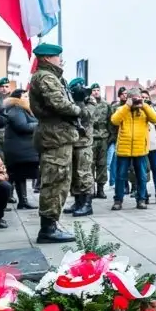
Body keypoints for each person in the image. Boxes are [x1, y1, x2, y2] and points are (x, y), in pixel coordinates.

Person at [23, 42, 81, 243]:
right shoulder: (46, 77)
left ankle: (52, 224)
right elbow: (59, 104)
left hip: (59, 135)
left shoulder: (52, 77)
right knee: (55, 180)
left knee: (60, 180)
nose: (61, 60)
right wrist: (77, 110)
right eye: (58, 57)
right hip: (54, 136)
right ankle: (47, 229)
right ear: (47, 58)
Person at [111, 87, 156, 210]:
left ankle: (141, 199)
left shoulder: (145, 110)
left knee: (142, 176)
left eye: (137, 99)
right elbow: (115, 121)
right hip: (124, 148)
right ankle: (118, 200)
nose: (136, 102)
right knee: (121, 176)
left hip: (140, 149)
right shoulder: (121, 109)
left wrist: (144, 105)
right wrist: (127, 106)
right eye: (133, 99)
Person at [62, 78, 95, 217]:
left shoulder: (90, 102)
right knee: (74, 174)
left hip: (84, 143)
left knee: (84, 173)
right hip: (71, 141)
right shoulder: (69, 100)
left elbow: (86, 116)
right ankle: (78, 201)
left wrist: (80, 101)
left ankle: (87, 204)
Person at [2, 89, 39, 209]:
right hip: (18, 149)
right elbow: (22, 126)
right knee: (16, 175)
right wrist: (40, 125)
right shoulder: (16, 109)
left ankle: (23, 201)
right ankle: (8, 201)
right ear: (18, 98)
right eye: (25, 96)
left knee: (19, 176)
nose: (28, 98)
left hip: (22, 149)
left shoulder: (22, 109)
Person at [89, 83, 111, 199]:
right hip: (91, 137)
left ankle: (101, 189)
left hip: (103, 137)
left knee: (102, 164)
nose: (96, 92)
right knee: (90, 164)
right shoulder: (87, 104)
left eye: (98, 90)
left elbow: (110, 122)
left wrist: (110, 138)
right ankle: (90, 189)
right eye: (94, 90)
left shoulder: (106, 105)